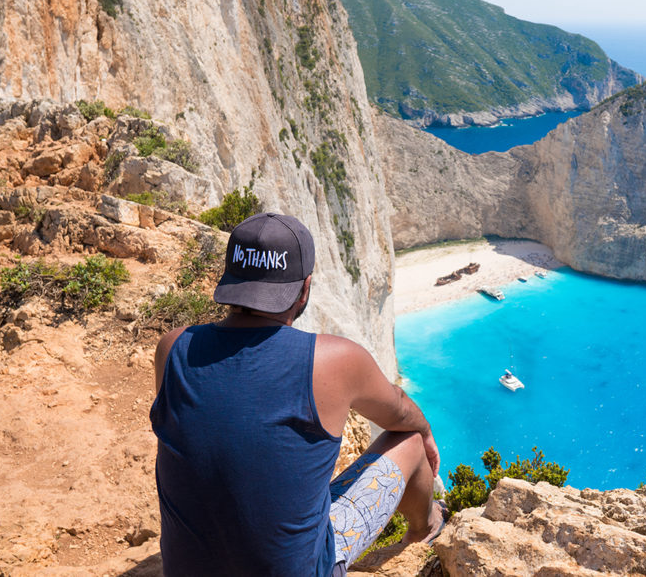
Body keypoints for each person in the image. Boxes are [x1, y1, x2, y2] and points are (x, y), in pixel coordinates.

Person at [150, 213, 446, 576]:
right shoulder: (333, 360)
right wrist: (427, 431)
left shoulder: (173, 348)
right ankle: (428, 528)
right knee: (410, 440)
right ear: (304, 288)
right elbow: (399, 411)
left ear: (229, 282)